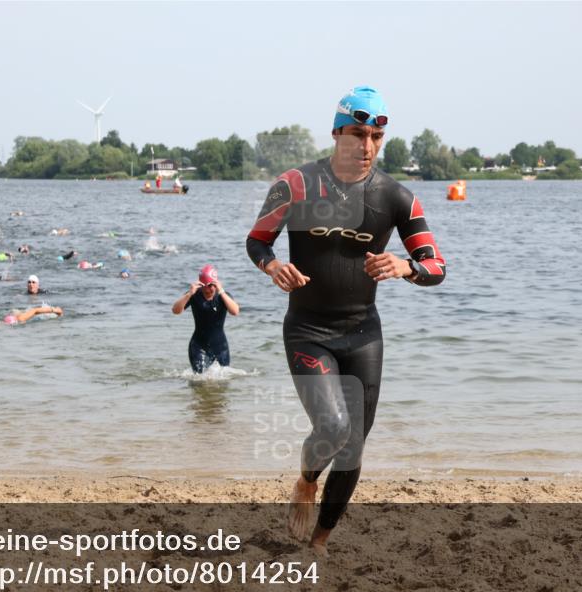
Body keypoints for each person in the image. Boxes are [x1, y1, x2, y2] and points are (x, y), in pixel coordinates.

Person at [246, 86, 446, 555]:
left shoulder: (397, 197)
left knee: (353, 445)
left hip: (363, 334)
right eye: (357, 134)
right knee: (334, 429)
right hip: (307, 330)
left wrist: (406, 267)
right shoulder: (295, 184)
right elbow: (258, 241)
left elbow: (436, 266)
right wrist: (273, 267)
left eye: (376, 137)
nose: (367, 145)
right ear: (337, 133)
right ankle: (306, 480)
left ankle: (318, 542)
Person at [171, 264, 240, 373]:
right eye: (205, 286)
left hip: (220, 347)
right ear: (200, 284)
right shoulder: (194, 295)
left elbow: (235, 311)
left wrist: (221, 291)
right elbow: (175, 311)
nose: (208, 289)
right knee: (199, 379)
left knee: (223, 380)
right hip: (199, 346)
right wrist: (189, 294)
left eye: (211, 285)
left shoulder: (223, 296)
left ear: (216, 283)